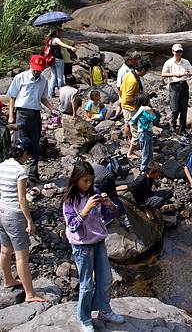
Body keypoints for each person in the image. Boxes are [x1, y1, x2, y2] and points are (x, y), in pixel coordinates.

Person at [62, 161, 124, 332]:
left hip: (98, 241)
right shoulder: (70, 200)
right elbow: (72, 226)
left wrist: (110, 205)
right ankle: (85, 318)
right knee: (86, 284)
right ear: (76, 180)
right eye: (85, 181)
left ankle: (104, 310)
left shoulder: (94, 192)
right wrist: (86, 209)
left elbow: (109, 215)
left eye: (91, 180)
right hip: (82, 246)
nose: (89, 184)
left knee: (105, 279)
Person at [0, 137, 46, 303]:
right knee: (22, 257)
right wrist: (29, 220)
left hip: (0, 213)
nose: (28, 158)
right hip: (14, 214)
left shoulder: (0, 166)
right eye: (28, 155)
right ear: (24, 153)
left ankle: (8, 280)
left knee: (5, 249)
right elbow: (22, 199)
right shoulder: (20, 171)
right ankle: (30, 294)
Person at [7, 55, 57, 183]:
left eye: (39, 70)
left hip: (35, 113)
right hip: (21, 112)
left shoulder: (43, 81)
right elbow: (12, 97)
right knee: (19, 142)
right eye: (35, 69)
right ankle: (15, 172)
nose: (37, 72)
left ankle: (33, 173)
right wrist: (11, 116)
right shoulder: (20, 77)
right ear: (30, 66)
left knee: (34, 143)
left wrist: (52, 109)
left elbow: (43, 98)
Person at [120, 59, 151, 153]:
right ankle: (132, 150)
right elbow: (127, 98)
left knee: (127, 124)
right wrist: (141, 100)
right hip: (130, 108)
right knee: (136, 131)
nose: (146, 73)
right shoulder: (133, 81)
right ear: (143, 70)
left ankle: (130, 142)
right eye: (146, 70)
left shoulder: (129, 74)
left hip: (126, 107)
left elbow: (121, 89)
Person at [90, 162, 131, 230]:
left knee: (100, 199)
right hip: (109, 177)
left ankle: (107, 217)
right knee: (114, 198)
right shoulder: (95, 164)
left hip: (101, 182)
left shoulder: (86, 171)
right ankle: (124, 218)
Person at [161, 44, 191, 134]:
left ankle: (182, 128)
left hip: (184, 84)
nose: (178, 53)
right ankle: (173, 125)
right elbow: (163, 74)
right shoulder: (169, 62)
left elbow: (191, 71)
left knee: (184, 108)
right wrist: (175, 75)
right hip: (174, 85)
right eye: (177, 51)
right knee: (174, 108)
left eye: (180, 51)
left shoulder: (186, 62)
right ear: (173, 52)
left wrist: (190, 72)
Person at [45, 30, 76, 98]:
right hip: (58, 59)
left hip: (52, 60)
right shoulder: (56, 39)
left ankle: (51, 94)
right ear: (56, 32)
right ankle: (62, 94)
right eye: (59, 32)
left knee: (54, 77)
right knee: (60, 77)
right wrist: (71, 47)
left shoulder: (49, 40)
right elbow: (62, 44)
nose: (61, 33)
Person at [112, 50, 141, 120]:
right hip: (128, 99)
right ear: (128, 60)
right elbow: (119, 86)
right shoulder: (123, 70)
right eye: (134, 59)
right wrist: (122, 99)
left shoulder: (133, 68)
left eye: (137, 59)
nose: (136, 61)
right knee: (129, 122)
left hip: (134, 98)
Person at [129, 94, 157, 168]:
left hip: (145, 132)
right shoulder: (145, 112)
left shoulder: (141, 110)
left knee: (149, 150)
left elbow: (132, 122)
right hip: (145, 133)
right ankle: (143, 168)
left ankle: (150, 165)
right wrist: (151, 111)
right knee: (145, 151)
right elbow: (153, 118)